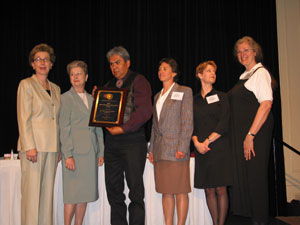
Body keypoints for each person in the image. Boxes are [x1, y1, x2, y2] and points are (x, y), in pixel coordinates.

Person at [98, 46, 152, 225]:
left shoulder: (139, 80)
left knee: (135, 191)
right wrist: (97, 106)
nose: (114, 67)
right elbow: (103, 116)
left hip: (133, 142)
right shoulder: (107, 86)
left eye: (118, 63)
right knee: (113, 190)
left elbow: (145, 112)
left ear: (127, 63)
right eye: (111, 64)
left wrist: (122, 128)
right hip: (112, 144)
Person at [228, 36, 274, 225]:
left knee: (255, 179)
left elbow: (266, 105)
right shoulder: (245, 76)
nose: (242, 54)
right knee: (247, 179)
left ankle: (260, 221)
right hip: (244, 136)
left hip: (255, 135)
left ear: (255, 52)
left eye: (246, 50)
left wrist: (250, 135)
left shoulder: (260, 73)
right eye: (239, 52)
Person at [17, 43, 60, 225]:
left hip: (51, 148)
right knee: (32, 196)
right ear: (33, 64)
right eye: (38, 59)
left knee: (46, 197)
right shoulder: (26, 85)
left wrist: (58, 148)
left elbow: (55, 121)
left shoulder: (56, 88)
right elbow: (23, 118)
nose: (42, 62)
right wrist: (29, 146)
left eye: (46, 60)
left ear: (51, 64)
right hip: (33, 148)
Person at [59, 60, 104, 225]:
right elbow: (64, 128)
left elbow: (98, 128)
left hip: (90, 154)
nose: (75, 77)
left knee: (84, 194)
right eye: (72, 74)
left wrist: (101, 152)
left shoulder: (93, 99)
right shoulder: (65, 98)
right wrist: (68, 155)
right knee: (72, 195)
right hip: (74, 155)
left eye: (78, 74)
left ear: (86, 77)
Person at [148, 58, 193, 225]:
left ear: (174, 73)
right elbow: (154, 125)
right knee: (166, 191)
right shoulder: (156, 96)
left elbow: (187, 121)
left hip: (176, 149)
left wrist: (182, 146)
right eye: (159, 69)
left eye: (165, 68)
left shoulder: (184, 91)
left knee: (180, 191)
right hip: (160, 150)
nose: (161, 71)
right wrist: (151, 149)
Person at [192, 61, 232, 225]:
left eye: (214, 71)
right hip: (201, 149)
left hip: (219, 148)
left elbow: (224, 122)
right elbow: (190, 125)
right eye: (209, 71)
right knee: (208, 189)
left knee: (221, 189)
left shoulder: (222, 96)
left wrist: (207, 141)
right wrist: (196, 143)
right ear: (200, 75)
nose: (213, 73)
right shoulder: (193, 99)